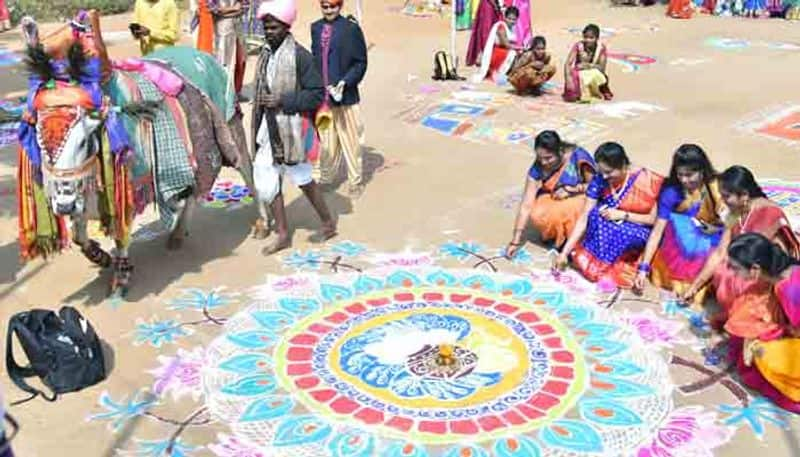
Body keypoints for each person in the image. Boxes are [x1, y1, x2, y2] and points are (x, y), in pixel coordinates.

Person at [251, 0, 337, 254]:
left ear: (286, 27)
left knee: (302, 179)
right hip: (269, 127)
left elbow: (316, 94)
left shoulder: (300, 56)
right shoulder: (267, 53)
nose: (269, 32)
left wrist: (282, 101)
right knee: (266, 174)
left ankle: (328, 223)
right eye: (266, 27)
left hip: (293, 129)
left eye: (274, 27)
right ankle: (282, 233)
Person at [683, 166, 800, 326]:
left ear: (744, 195)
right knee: (718, 267)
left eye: (726, 196)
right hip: (746, 269)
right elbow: (720, 252)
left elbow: (781, 264)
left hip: (765, 277)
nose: (723, 202)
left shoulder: (771, 215)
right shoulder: (736, 213)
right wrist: (695, 286)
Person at [554, 142, 663, 288]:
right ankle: (596, 264)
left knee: (620, 231)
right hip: (608, 223)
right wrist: (564, 252)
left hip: (636, 227)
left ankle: (618, 266)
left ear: (624, 166)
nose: (604, 176)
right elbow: (584, 217)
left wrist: (622, 215)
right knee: (595, 215)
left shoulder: (647, 181)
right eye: (602, 171)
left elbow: (652, 220)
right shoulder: (600, 179)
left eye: (609, 172)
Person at [634, 145, 723, 305]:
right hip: (680, 245)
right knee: (678, 223)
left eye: (689, 175)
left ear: (702, 171)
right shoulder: (672, 192)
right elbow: (658, 231)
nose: (684, 180)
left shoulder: (717, 188)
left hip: (714, 237)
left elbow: (734, 222)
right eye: (680, 174)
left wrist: (716, 230)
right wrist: (643, 268)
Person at [723, 233, 800, 413]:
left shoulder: (789, 288)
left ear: (755, 269)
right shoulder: (781, 276)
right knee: (747, 315)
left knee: (763, 353)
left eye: (735, 268)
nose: (732, 272)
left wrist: (771, 335)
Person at [506, 130, 596, 258]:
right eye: (540, 158)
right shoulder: (538, 168)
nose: (543, 163)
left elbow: (596, 187)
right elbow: (526, 204)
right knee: (537, 213)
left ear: (559, 151)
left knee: (569, 209)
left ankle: (575, 242)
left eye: (548, 158)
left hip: (582, 197)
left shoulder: (578, 157)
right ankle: (558, 237)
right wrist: (515, 241)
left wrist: (572, 189)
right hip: (554, 198)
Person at [311, 0, 369, 198]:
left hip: (345, 98)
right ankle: (326, 177)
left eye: (333, 7)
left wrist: (345, 82)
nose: (329, 11)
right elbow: (315, 59)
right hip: (324, 98)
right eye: (325, 7)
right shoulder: (316, 28)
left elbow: (361, 62)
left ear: (340, 6)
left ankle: (355, 181)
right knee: (326, 141)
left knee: (351, 140)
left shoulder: (351, 29)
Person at [562, 23, 613, 103]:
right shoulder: (578, 46)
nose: (588, 40)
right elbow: (568, 64)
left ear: (597, 38)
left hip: (594, 75)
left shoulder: (601, 48)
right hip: (579, 75)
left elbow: (602, 68)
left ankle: (592, 92)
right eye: (586, 37)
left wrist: (588, 66)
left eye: (591, 38)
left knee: (599, 76)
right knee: (571, 93)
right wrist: (568, 79)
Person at [211, 0, 249, 99]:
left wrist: (226, 12)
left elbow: (245, 6)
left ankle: (237, 92)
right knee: (223, 61)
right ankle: (223, 92)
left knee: (240, 60)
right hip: (223, 29)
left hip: (237, 27)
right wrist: (233, 9)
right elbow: (213, 10)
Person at [472, 6, 519, 83]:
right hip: (497, 53)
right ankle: (499, 72)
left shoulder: (513, 29)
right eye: (509, 18)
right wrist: (520, 48)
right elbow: (505, 44)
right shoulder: (501, 26)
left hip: (505, 52)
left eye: (513, 19)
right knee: (513, 53)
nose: (511, 21)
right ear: (505, 17)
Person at [466, 0, 503, 66]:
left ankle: (487, 54)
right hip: (488, 5)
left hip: (493, 5)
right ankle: (484, 54)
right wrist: (495, 5)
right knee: (485, 30)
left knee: (489, 29)